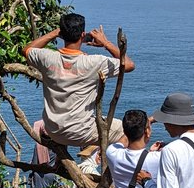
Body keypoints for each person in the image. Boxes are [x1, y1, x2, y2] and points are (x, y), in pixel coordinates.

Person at [23, 13, 133, 152]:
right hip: (79, 133)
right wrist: (105, 43)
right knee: (129, 131)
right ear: (82, 35)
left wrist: (55, 33)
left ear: (62, 34)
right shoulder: (93, 63)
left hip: (53, 131)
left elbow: (26, 49)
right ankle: (120, 167)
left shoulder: (47, 58)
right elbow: (128, 65)